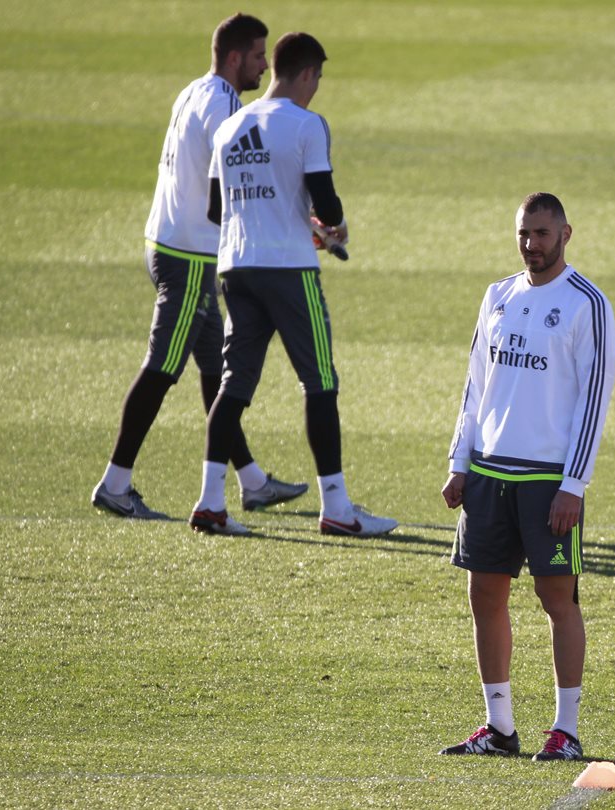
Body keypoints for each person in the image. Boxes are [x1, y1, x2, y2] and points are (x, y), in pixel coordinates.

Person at [91, 14, 307, 520]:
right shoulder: (224, 103)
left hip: (171, 244)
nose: (263, 65)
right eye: (258, 56)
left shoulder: (194, 91)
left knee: (216, 369)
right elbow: (232, 170)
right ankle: (115, 483)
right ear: (235, 57)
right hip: (188, 256)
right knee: (163, 367)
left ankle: (252, 481)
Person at [187, 31, 396, 538]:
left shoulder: (230, 125)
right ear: (307, 73)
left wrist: (297, 221)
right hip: (289, 270)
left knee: (234, 385)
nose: (317, 87)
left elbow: (218, 209)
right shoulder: (307, 125)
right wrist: (329, 228)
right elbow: (327, 204)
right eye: (318, 78)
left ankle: (210, 502)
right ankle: (337, 507)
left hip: (235, 266)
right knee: (320, 381)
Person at [439, 193, 615, 762]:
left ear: (566, 233)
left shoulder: (588, 303)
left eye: (541, 234)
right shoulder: (498, 296)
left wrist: (574, 484)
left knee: (555, 598)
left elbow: (594, 399)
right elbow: (475, 385)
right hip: (489, 472)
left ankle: (565, 729)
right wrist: (458, 462)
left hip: (548, 480)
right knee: (483, 593)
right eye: (523, 233)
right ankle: (500, 727)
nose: (530, 245)